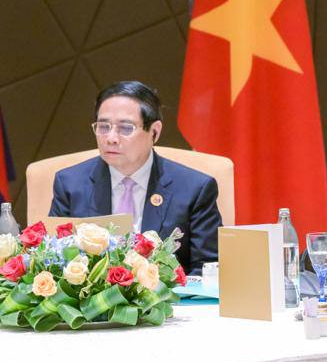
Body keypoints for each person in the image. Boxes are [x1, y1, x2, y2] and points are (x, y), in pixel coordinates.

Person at [49, 80, 222, 273]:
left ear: (154, 131)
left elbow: (208, 269)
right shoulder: (70, 184)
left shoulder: (195, 189)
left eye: (125, 128)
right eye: (103, 126)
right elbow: (56, 260)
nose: (111, 138)